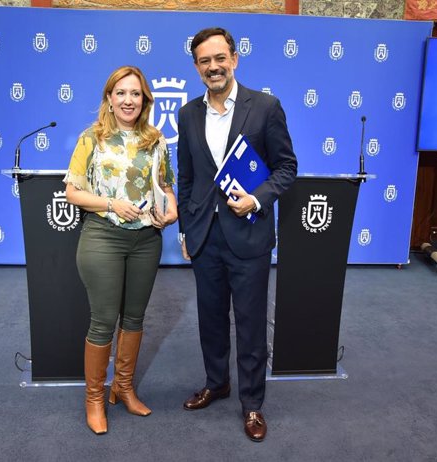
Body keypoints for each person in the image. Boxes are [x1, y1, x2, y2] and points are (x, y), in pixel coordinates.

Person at [176, 27, 298, 442]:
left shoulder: (265, 107)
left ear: (235, 59)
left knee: (249, 325)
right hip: (205, 236)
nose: (214, 67)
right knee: (210, 319)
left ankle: (252, 405)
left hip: (249, 234)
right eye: (205, 61)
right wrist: (185, 230)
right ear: (196, 67)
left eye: (220, 58)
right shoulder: (187, 113)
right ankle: (217, 382)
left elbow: (286, 167)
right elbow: (187, 178)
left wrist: (257, 200)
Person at [65, 65, 178, 435]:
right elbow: (73, 192)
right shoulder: (91, 138)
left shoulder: (156, 140)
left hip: (146, 238)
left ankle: (123, 388)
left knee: (135, 318)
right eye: (121, 93)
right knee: (103, 320)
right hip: (103, 235)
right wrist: (112, 205)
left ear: (145, 99)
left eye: (135, 93)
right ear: (109, 100)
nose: (129, 99)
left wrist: (172, 209)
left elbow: (164, 186)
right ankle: (94, 399)